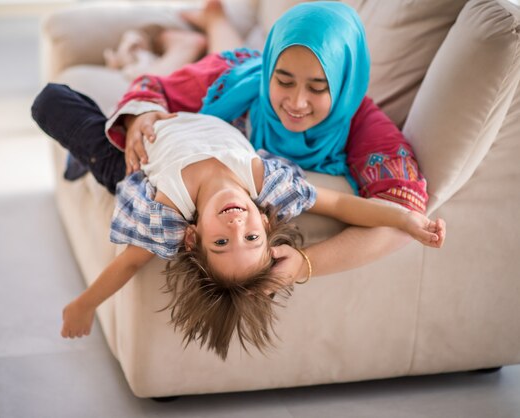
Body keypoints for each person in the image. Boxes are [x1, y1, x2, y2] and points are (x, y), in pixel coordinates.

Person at [32, 84, 445, 359]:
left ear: (193, 237)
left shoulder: (169, 208)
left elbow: (127, 262)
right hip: (185, 119)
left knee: (50, 101)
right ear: (265, 224)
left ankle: (86, 159)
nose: (235, 228)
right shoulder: (264, 180)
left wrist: (84, 305)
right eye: (250, 237)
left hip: (124, 163)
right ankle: (85, 153)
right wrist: (406, 218)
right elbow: (340, 205)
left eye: (222, 244)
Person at [108, 1, 430, 284]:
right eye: (284, 81)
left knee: (227, 54)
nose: (296, 102)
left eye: (317, 88)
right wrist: (141, 115)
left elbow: (405, 214)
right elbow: (154, 87)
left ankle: (213, 19)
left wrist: (307, 264)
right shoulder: (234, 80)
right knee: (222, 57)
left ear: (344, 81)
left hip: (253, 68)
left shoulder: (364, 124)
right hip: (242, 66)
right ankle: (212, 20)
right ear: (271, 71)